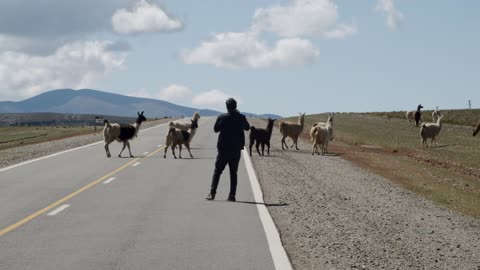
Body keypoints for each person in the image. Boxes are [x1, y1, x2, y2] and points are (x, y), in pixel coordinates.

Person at [206, 98, 250, 202]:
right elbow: (247, 128)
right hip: (236, 150)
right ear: (236, 106)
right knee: (233, 173)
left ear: (226, 107)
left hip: (223, 150)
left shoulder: (222, 117)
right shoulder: (241, 117)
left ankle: (212, 193)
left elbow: (215, 129)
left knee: (217, 171)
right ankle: (232, 196)